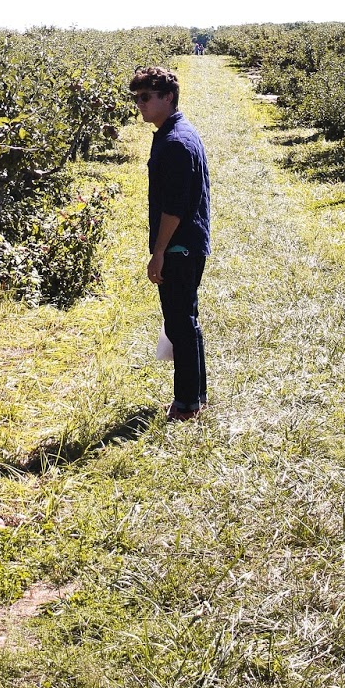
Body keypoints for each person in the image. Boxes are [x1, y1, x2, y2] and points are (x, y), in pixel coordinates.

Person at [129, 65, 211, 421]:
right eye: (137, 97)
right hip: (187, 244)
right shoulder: (173, 132)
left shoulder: (176, 143)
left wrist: (159, 252)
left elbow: (175, 209)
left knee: (181, 322)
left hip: (179, 246)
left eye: (146, 97)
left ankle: (187, 405)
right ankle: (195, 396)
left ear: (168, 97)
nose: (140, 104)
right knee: (184, 320)